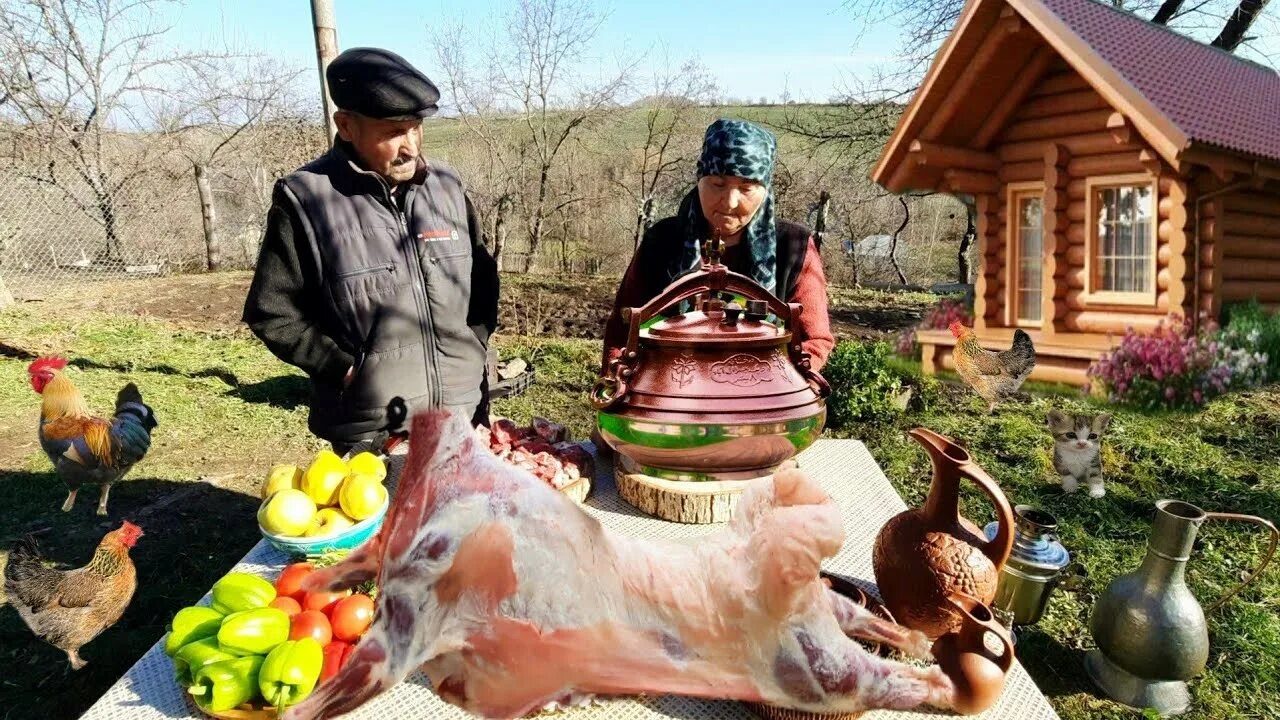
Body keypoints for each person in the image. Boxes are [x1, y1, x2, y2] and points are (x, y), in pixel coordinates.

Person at [243, 47, 498, 455]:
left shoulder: (447, 188)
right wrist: (346, 369)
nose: (411, 146)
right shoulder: (307, 199)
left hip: (462, 414)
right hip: (372, 432)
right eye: (394, 132)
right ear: (346, 125)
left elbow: (482, 284)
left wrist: (474, 345)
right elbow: (272, 311)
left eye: (416, 127)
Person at [602, 118, 834, 372]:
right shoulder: (663, 240)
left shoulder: (793, 246)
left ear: (765, 190)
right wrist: (621, 380)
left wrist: (781, 389)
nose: (730, 202)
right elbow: (622, 331)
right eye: (717, 184)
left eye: (746, 188)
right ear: (699, 179)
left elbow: (814, 340)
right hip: (670, 391)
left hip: (760, 392)